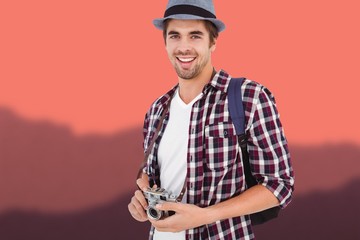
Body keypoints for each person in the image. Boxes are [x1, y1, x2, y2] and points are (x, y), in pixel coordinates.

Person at [128, 0, 295, 239]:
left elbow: (279, 185)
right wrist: (141, 203)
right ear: (165, 42)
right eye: (175, 36)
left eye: (195, 36)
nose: (184, 47)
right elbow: (153, 181)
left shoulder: (249, 98)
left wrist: (205, 216)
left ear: (213, 41)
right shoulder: (156, 111)